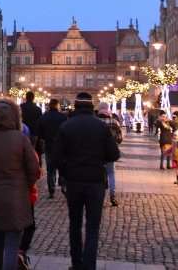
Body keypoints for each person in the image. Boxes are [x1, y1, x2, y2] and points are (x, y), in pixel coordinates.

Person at [52, 92, 119, 270]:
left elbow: (56, 157)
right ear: (91, 106)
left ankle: (76, 263)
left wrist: (65, 172)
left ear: (75, 105)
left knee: (74, 224)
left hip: (73, 181)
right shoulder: (101, 127)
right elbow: (114, 154)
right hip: (96, 181)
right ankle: (89, 266)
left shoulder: (66, 126)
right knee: (92, 227)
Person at [0, 99, 40, 270]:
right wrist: (26, 184)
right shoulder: (21, 139)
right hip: (17, 197)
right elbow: (34, 169)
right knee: (12, 242)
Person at [18, 122, 40, 270]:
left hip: (0, 194)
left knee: (2, 231)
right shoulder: (29, 149)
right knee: (29, 225)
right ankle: (20, 252)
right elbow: (35, 172)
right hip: (25, 193)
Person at [37, 98, 66, 198]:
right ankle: (63, 185)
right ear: (57, 105)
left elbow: (39, 133)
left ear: (49, 106)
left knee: (50, 169)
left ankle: (51, 190)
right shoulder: (63, 117)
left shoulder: (44, 117)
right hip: (61, 146)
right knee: (62, 167)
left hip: (49, 145)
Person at [96, 102, 122, 206]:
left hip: (97, 153)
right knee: (111, 174)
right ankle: (112, 196)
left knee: (99, 175)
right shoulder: (114, 122)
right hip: (110, 152)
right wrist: (114, 143)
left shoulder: (95, 121)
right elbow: (120, 138)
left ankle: (100, 197)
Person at [20, 91, 42, 160]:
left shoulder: (21, 107)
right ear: (33, 98)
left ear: (26, 97)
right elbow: (40, 122)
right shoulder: (38, 109)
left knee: (22, 149)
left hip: (22, 131)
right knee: (32, 149)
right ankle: (32, 162)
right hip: (33, 132)